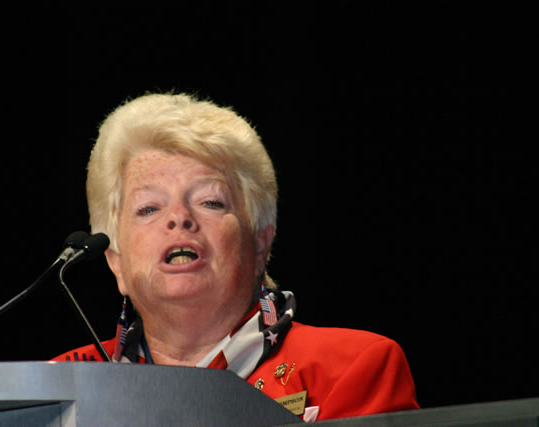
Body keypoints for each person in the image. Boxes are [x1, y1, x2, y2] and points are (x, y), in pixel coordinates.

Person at [52, 92, 419, 422]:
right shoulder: (58, 387)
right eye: (149, 208)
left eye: (210, 202)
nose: (179, 218)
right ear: (115, 261)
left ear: (260, 244)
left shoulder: (351, 367)